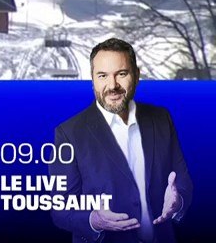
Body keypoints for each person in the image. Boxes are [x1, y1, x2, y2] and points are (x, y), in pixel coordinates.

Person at [50, 38, 193, 243]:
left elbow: (183, 181)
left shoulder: (161, 118)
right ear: (92, 80)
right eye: (102, 76)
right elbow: (59, 210)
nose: (112, 85)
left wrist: (178, 201)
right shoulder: (68, 133)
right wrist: (94, 220)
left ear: (136, 75)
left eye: (122, 74)